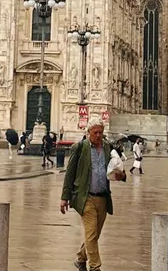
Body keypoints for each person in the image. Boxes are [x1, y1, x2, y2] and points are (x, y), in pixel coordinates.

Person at [60, 115, 114, 271]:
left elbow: (112, 169)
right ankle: (95, 267)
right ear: (88, 132)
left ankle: (81, 258)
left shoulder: (106, 148)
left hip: (103, 197)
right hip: (86, 197)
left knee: (94, 234)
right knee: (90, 233)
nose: (98, 135)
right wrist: (65, 198)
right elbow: (69, 173)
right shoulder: (79, 147)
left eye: (100, 132)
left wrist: (120, 175)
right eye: (95, 132)